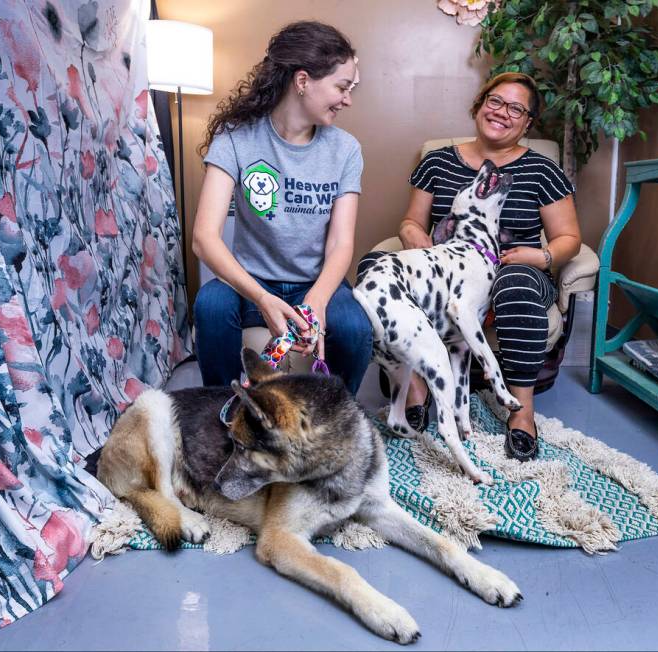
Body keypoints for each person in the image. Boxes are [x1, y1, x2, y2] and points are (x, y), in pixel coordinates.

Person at [367, 72, 582, 461]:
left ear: (528, 122)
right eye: (495, 101)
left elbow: (569, 238)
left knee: (514, 283)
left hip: (517, 271)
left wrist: (542, 256)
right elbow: (410, 221)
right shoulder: (437, 162)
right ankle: (416, 390)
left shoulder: (542, 170)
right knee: (375, 264)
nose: (502, 112)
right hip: (446, 275)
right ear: (480, 105)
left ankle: (522, 415)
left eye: (516, 108)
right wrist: (414, 236)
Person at [191, 21, 372, 395]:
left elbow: (340, 243)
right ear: (303, 80)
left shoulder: (346, 149)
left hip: (315, 281)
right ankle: (224, 414)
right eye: (342, 87)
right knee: (210, 304)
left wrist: (317, 302)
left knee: (354, 328)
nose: (348, 100)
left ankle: (335, 421)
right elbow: (204, 239)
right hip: (250, 282)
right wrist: (261, 297)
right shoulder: (235, 139)